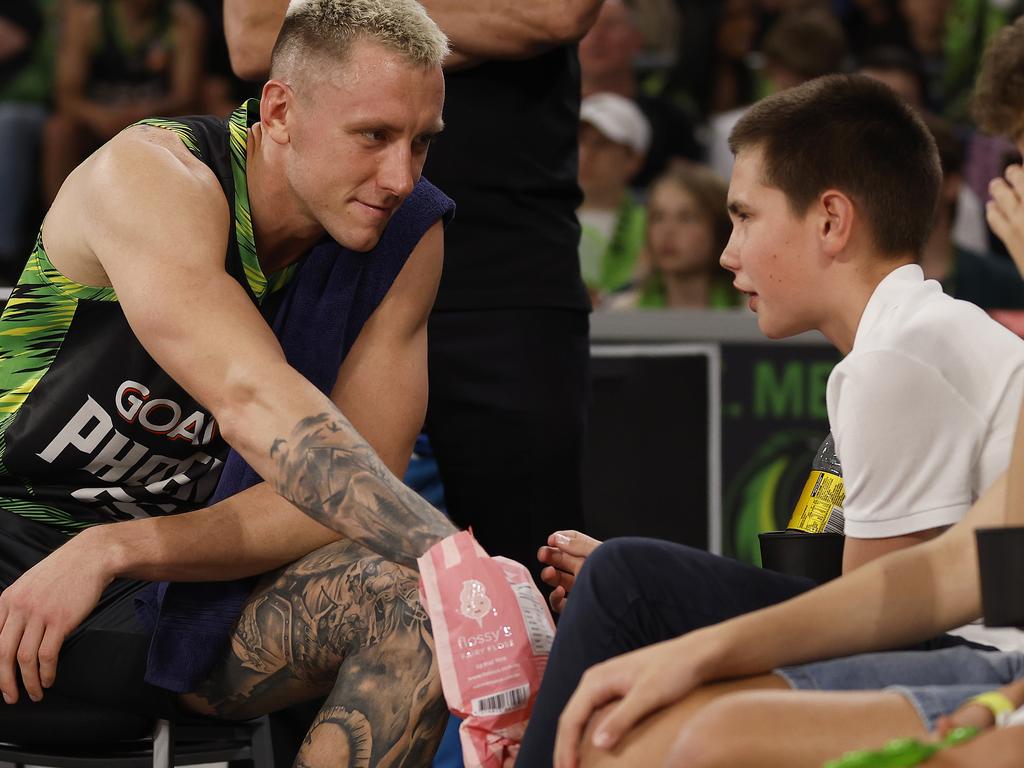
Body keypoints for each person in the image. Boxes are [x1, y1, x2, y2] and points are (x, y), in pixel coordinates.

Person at [0, 1, 464, 765]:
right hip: (13, 524)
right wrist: (459, 565)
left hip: (170, 575)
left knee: (422, 609)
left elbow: (338, 501)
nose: (399, 176)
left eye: (422, 144)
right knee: (449, 584)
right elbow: (255, 403)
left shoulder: (410, 234)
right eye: (374, 136)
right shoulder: (151, 175)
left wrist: (116, 549)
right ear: (280, 110)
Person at [518, 72, 1024, 767]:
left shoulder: (900, 359)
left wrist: (686, 636)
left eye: (745, 216)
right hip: (962, 643)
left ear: (830, 221)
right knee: (628, 582)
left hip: (979, 658)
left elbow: (880, 619)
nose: (729, 252)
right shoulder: (908, 338)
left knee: (627, 591)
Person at [41, 0, 206, 203]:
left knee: (191, 124)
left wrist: (142, 114)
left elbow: (186, 95)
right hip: (98, 121)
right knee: (59, 130)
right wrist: (101, 116)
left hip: (156, 119)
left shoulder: (183, 21)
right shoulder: (88, 18)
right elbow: (66, 95)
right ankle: (56, 221)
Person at [606, 164, 739, 310]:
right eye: (658, 217)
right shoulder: (622, 311)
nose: (667, 231)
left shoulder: (751, 314)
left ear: (720, 228)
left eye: (686, 217)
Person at [576, 92, 650, 304]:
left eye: (601, 144)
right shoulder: (543, 217)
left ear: (633, 160)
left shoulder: (655, 223)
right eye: (579, 141)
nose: (586, 154)